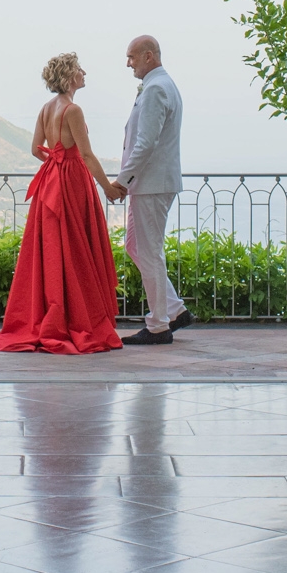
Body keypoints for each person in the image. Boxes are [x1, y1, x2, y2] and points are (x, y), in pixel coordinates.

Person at [0, 52, 126, 354]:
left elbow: (37, 149)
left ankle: (50, 312)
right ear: (70, 76)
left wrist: (55, 160)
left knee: (53, 249)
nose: (84, 72)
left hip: (51, 180)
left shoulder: (46, 108)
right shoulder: (73, 110)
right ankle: (75, 317)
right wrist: (108, 188)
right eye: (79, 69)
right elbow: (86, 155)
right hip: (72, 181)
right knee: (76, 250)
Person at [117, 35, 192, 345]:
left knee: (149, 253)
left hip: (151, 185)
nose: (128, 63)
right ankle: (175, 311)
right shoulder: (161, 85)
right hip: (151, 184)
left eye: (132, 57)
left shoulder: (156, 88)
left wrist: (123, 180)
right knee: (136, 247)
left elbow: (145, 143)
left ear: (148, 56)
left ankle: (159, 325)